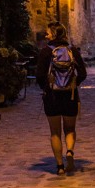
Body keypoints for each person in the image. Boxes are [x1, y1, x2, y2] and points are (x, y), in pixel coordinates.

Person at [36, 21, 87, 175]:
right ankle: (70, 151)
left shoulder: (45, 52)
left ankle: (59, 166)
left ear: (54, 34)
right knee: (70, 129)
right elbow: (83, 73)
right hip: (70, 95)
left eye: (48, 32)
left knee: (55, 132)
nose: (46, 35)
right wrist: (73, 84)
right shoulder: (72, 50)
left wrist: (46, 88)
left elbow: (39, 75)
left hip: (52, 96)